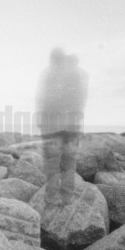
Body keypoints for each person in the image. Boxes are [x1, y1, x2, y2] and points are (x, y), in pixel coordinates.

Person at [36, 48, 88, 203]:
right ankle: (67, 196)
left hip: (53, 126)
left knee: (52, 161)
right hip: (72, 126)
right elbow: (80, 101)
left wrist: (42, 119)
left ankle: (52, 196)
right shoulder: (79, 76)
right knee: (69, 161)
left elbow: (44, 98)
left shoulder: (51, 75)